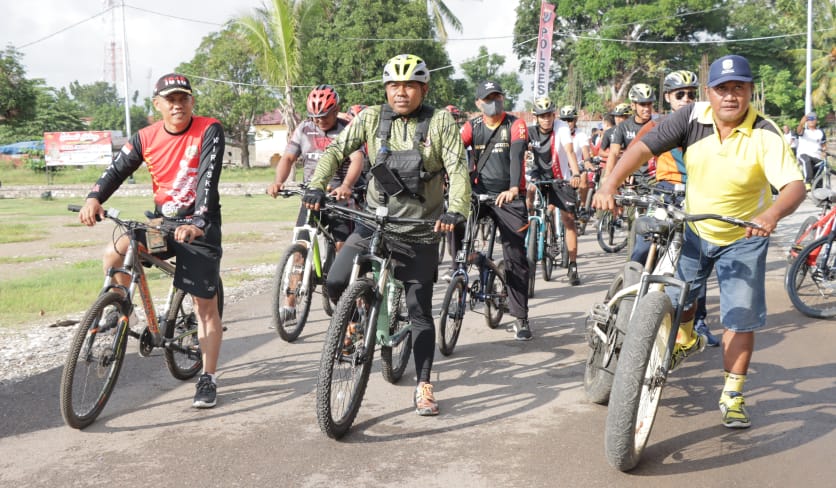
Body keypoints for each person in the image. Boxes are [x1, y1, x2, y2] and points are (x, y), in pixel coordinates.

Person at [594, 54, 805, 428]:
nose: (729, 96)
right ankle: (687, 337)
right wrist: (609, 182)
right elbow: (644, 148)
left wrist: (770, 215)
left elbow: (794, 185)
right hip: (695, 227)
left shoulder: (765, 133)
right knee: (678, 300)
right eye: (722, 88)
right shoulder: (691, 117)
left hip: (744, 234)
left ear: (749, 92)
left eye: (738, 88)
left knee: (739, 318)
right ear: (710, 92)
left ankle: (733, 394)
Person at [304, 54, 471, 416]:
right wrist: (316, 185)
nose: (401, 92)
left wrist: (456, 210)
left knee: (418, 312)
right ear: (386, 89)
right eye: (394, 85)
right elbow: (335, 151)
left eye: (410, 85)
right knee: (334, 282)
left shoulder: (439, 122)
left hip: (419, 229)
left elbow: (458, 168)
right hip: (374, 221)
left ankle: (424, 383)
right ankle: (356, 319)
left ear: (423, 89)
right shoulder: (370, 118)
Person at [78, 73, 226, 408]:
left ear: (192, 102)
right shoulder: (145, 137)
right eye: (170, 100)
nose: (177, 105)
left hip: (199, 226)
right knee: (114, 255)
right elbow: (116, 170)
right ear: (157, 105)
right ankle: (115, 313)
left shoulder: (208, 129)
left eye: (183, 98)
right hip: (163, 224)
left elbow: (208, 177)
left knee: (205, 307)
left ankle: (208, 377)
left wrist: (199, 222)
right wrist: (93, 198)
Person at [627, 70, 720, 347]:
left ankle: (697, 321)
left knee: (697, 260)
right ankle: (627, 307)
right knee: (644, 247)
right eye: (680, 95)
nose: (686, 99)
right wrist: (613, 182)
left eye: (691, 95)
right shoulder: (658, 125)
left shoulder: (709, 125)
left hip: (697, 196)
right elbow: (633, 152)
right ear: (668, 97)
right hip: (665, 193)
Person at [459, 80, 533, 340]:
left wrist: (513, 188)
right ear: (478, 103)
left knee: (515, 256)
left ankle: (521, 317)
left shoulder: (516, 124)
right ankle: (470, 259)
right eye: (488, 98)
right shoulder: (472, 126)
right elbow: (455, 152)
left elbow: (517, 155)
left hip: (509, 197)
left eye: (497, 96)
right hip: (480, 193)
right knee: (454, 221)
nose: (494, 101)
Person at [515, 98, 585, 287]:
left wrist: (576, 174)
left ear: (554, 115)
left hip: (561, 178)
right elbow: (519, 154)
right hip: (539, 177)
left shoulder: (561, 128)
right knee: (528, 196)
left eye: (549, 115)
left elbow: (569, 152)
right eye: (542, 116)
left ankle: (572, 264)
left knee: (568, 219)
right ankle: (532, 228)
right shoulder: (530, 132)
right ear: (536, 117)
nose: (546, 119)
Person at [603, 84, 655, 179]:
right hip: (630, 174)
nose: (647, 108)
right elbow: (614, 153)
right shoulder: (623, 126)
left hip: (654, 176)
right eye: (642, 104)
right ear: (633, 105)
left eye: (649, 104)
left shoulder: (659, 125)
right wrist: (607, 175)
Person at [796, 111, 827, 189]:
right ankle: (807, 182)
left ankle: (819, 194)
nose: (812, 120)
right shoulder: (804, 131)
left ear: (816, 120)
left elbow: (823, 144)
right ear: (807, 121)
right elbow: (799, 131)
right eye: (809, 119)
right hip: (804, 154)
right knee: (807, 161)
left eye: (813, 119)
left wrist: (824, 151)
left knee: (819, 174)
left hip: (817, 156)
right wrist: (801, 123)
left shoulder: (820, 132)